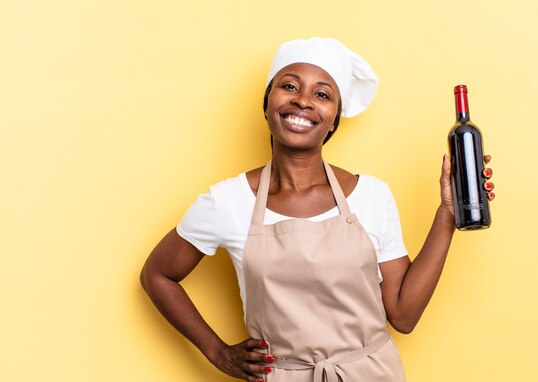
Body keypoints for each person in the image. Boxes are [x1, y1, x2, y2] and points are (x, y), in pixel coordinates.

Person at [140, 37, 495, 382]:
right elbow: (157, 274)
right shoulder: (227, 202)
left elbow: (403, 315)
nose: (304, 102)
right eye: (290, 87)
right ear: (267, 105)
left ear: (333, 120)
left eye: (322, 94)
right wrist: (217, 353)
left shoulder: (371, 195)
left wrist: (448, 214)